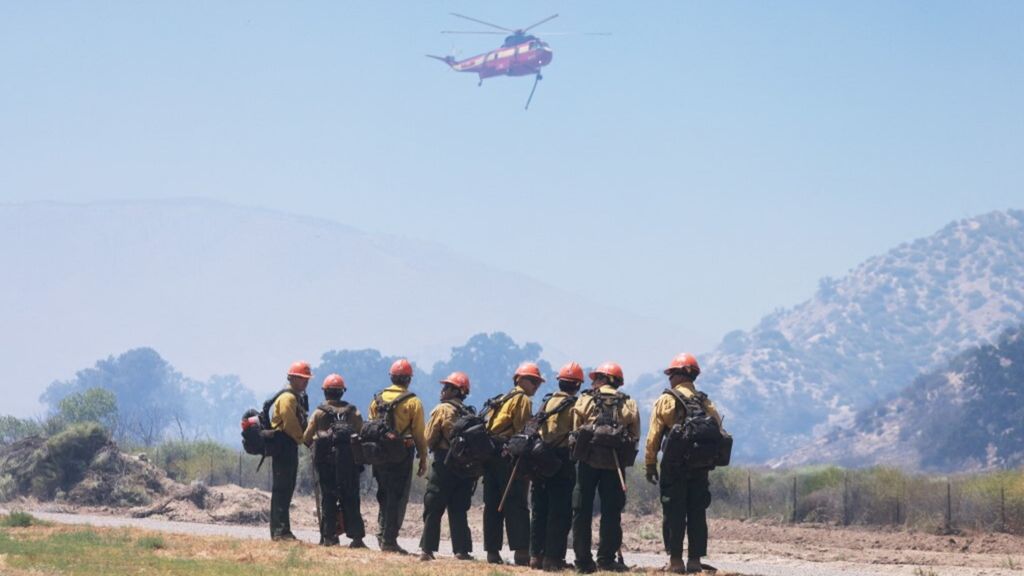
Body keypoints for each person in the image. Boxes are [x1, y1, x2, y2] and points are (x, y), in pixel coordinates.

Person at [644, 353, 723, 574]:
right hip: (699, 468)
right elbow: (719, 431)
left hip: (673, 468)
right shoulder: (706, 402)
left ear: (678, 376)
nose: (669, 379)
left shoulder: (666, 400)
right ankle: (695, 561)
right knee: (697, 512)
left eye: (671, 374)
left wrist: (650, 464)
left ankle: (676, 562)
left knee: (674, 512)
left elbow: (653, 437)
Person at [570, 362, 640, 573]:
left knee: (581, 510)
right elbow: (635, 436)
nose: (592, 383)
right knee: (612, 512)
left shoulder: (584, 400)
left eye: (595, 378)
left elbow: (575, 432)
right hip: (615, 465)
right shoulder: (629, 404)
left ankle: (583, 561)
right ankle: (607, 560)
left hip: (587, 463)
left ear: (603, 379)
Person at [483, 362, 543, 565]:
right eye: (533, 381)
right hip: (508, 457)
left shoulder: (502, 398)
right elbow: (523, 431)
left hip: (490, 454)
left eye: (538, 382)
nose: (536, 386)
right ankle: (521, 554)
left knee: (492, 504)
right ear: (520, 380)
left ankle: (492, 553)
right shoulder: (522, 400)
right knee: (516, 503)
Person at [368, 358, 428, 554]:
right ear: (408, 380)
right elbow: (419, 434)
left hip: (379, 453)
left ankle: (381, 534)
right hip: (402, 452)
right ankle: (389, 540)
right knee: (397, 496)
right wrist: (423, 458)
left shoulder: (376, 399)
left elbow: (371, 426)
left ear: (392, 378)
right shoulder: (413, 402)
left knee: (383, 494)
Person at [529, 362, 583, 571]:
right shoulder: (576, 406)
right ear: (577, 385)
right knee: (559, 512)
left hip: (539, 459)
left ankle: (535, 556)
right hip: (562, 462)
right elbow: (577, 436)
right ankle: (553, 559)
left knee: (539, 509)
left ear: (559, 382)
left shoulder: (545, 402)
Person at [303, 373, 367, 548]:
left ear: (325, 393)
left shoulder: (319, 413)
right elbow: (362, 433)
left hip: (326, 465)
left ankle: (329, 537)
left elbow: (306, 438)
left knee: (328, 499)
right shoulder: (353, 412)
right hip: (350, 465)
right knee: (351, 498)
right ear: (342, 392)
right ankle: (357, 538)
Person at [419, 371, 477, 562]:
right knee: (459, 509)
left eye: (447, 387)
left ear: (456, 391)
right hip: (465, 467)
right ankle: (461, 550)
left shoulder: (442, 409)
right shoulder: (469, 412)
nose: (442, 391)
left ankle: (427, 550)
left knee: (434, 505)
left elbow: (429, 438)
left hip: (444, 463)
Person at [269, 361, 311, 541]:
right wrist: (303, 439)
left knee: (286, 489)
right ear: (292, 378)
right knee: (282, 490)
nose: (305, 382)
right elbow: (290, 423)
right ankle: (280, 532)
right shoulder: (288, 398)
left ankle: (282, 530)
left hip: (288, 446)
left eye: (307, 379)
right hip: (284, 446)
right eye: (302, 378)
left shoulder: (295, 397)